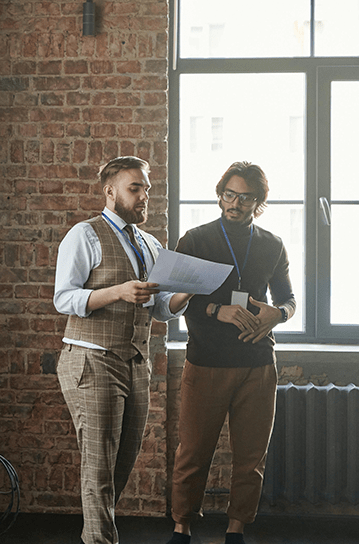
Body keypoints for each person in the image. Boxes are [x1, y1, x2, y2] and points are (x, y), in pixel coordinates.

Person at [54, 156, 192, 544]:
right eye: (136, 188)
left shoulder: (149, 244)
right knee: (98, 469)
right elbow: (63, 298)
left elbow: (161, 309)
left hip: (135, 363)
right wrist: (118, 291)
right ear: (110, 191)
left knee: (120, 465)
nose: (145, 195)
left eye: (147, 188)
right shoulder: (85, 235)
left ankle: (94, 535)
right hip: (91, 359)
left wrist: (187, 291)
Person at [166, 162, 296, 544]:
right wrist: (215, 309)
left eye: (245, 197)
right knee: (192, 454)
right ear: (220, 193)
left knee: (251, 458)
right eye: (229, 194)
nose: (235, 203)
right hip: (205, 361)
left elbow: (288, 299)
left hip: (258, 365)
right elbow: (172, 302)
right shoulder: (196, 239)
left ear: (258, 202)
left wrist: (280, 314)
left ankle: (236, 529)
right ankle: (181, 527)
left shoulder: (272, 243)